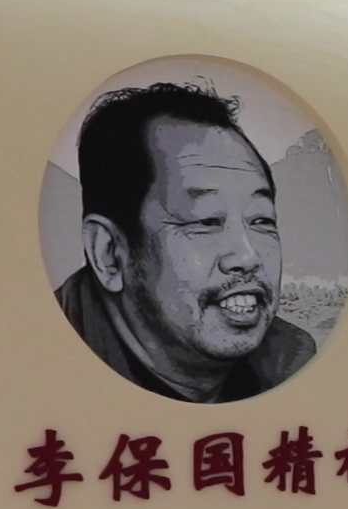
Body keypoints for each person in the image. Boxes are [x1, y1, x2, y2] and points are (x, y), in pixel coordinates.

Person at [56, 81, 315, 403]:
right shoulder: (40, 372)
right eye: (206, 221)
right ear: (108, 254)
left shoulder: (292, 364)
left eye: (261, 220)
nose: (248, 257)